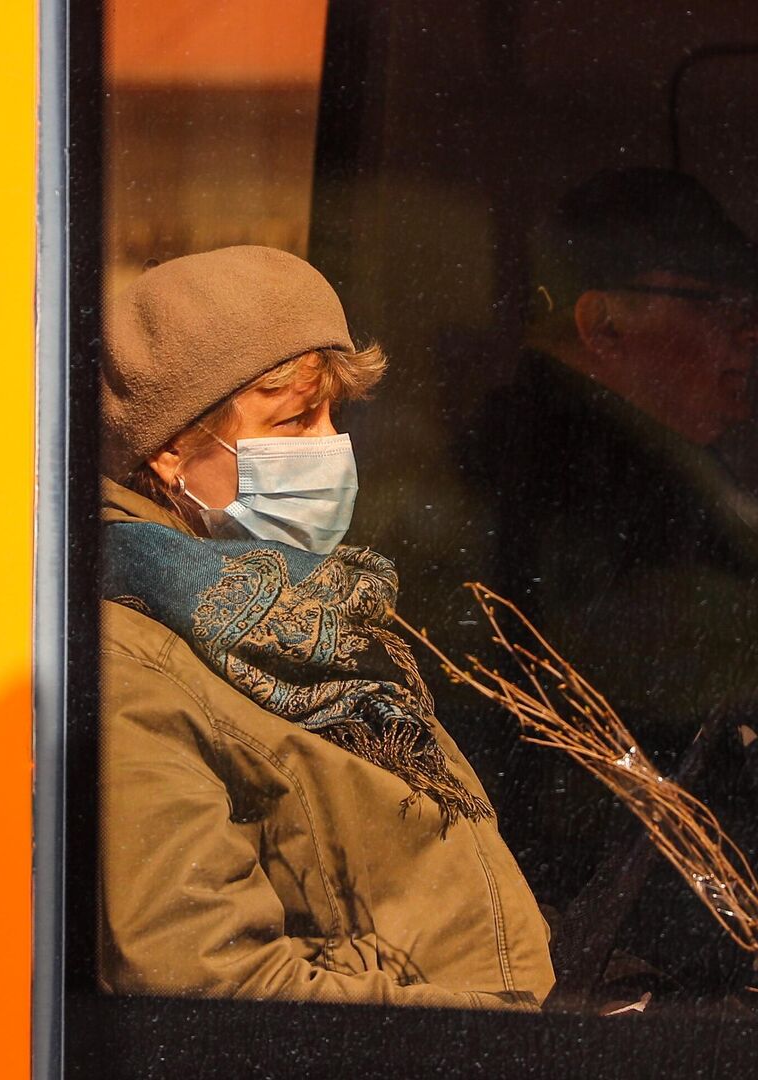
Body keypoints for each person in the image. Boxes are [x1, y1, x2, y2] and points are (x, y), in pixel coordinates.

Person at [456, 171, 758, 1010]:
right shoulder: (569, 492)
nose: (757, 330)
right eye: (721, 303)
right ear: (603, 323)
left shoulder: (645, 476)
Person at [94, 245, 554, 1009]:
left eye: (336, 416)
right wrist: (498, 1037)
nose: (330, 448)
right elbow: (207, 987)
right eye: (296, 418)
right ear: (172, 448)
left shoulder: (300, 621)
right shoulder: (129, 667)